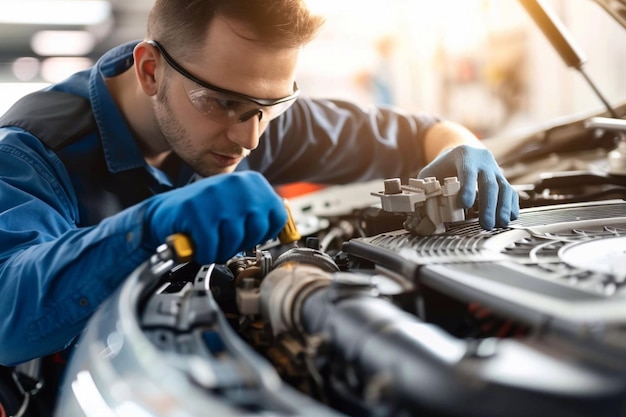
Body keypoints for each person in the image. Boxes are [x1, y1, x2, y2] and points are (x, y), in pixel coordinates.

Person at [0, 0, 518, 370]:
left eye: (272, 107)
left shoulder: (251, 112)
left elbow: (421, 134)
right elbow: (6, 311)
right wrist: (149, 227)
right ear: (151, 70)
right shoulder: (30, 153)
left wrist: (465, 145)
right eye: (223, 104)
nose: (249, 138)